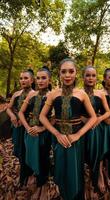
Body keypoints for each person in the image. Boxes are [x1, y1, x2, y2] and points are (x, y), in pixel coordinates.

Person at [39, 58, 97, 200]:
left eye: (71, 71)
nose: (67, 75)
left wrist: (78, 135)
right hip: (58, 137)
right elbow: (42, 117)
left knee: (75, 168)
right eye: (63, 71)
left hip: (76, 138)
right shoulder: (53, 94)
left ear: (76, 73)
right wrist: (57, 134)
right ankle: (63, 194)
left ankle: (77, 195)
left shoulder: (81, 94)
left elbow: (93, 117)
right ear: (59, 74)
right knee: (60, 167)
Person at [18, 67, 52, 199]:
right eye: (38, 78)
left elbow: (54, 118)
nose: (40, 81)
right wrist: (27, 128)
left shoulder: (52, 95)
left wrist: (42, 128)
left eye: (44, 78)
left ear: (49, 80)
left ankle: (42, 184)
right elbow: (21, 112)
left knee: (43, 157)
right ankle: (29, 179)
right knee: (29, 156)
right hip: (29, 132)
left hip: (44, 134)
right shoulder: (32, 94)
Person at [82, 66, 110, 199]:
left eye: (93, 75)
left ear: (97, 78)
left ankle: (97, 177)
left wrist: (99, 119)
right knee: (83, 155)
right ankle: (82, 181)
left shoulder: (100, 94)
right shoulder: (78, 92)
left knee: (96, 154)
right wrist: (83, 119)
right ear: (83, 77)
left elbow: (108, 112)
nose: (91, 78)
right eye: (88, 75)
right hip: (81, 129)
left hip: (95, 130)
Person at [6, 69, 35, 186]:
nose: (23, 80)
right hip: (17, 126)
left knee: (27, 150)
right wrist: (12, 115)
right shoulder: (16, 94)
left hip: (29, 126)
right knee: (19, 149)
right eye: (21, 78)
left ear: (32, 80)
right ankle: (24, 172)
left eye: (26, 78)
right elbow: (8, 108)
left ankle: (26, 174)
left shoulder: (35, 94)